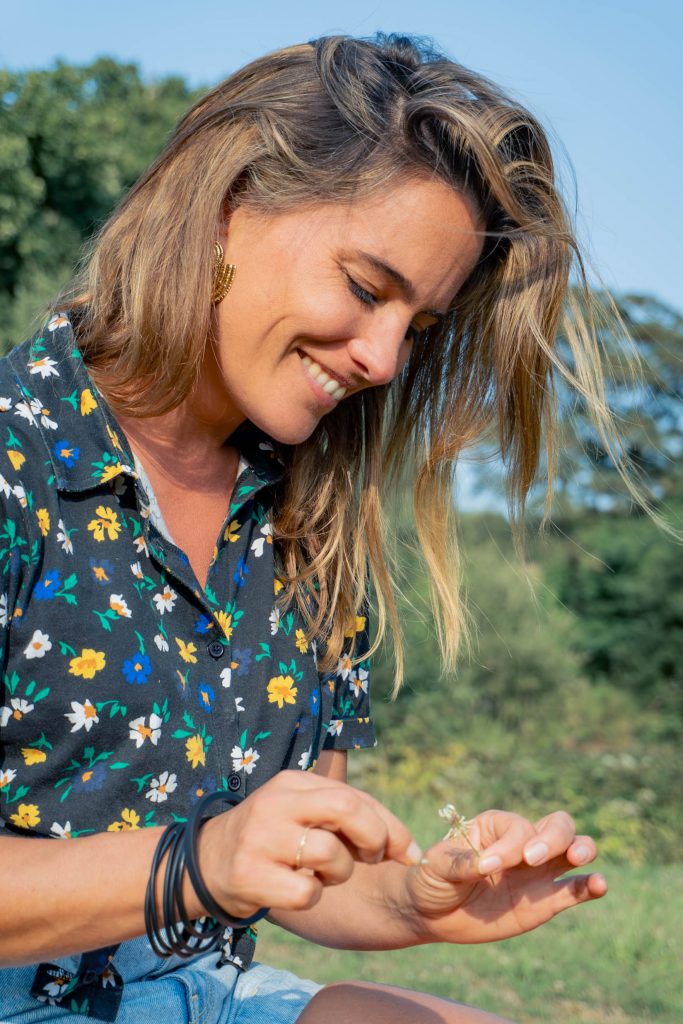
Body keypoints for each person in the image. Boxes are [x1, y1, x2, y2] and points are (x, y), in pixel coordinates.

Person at [0, 33, 613, 1024]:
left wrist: (415, 897)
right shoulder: (14, 459)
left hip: (198, 991)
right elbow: (217, 864)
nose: (381, 359)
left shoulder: (308, 526)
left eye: (413, 329)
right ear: (222, 209)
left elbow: (295, 870)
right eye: (367, 287)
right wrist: (193, 863)